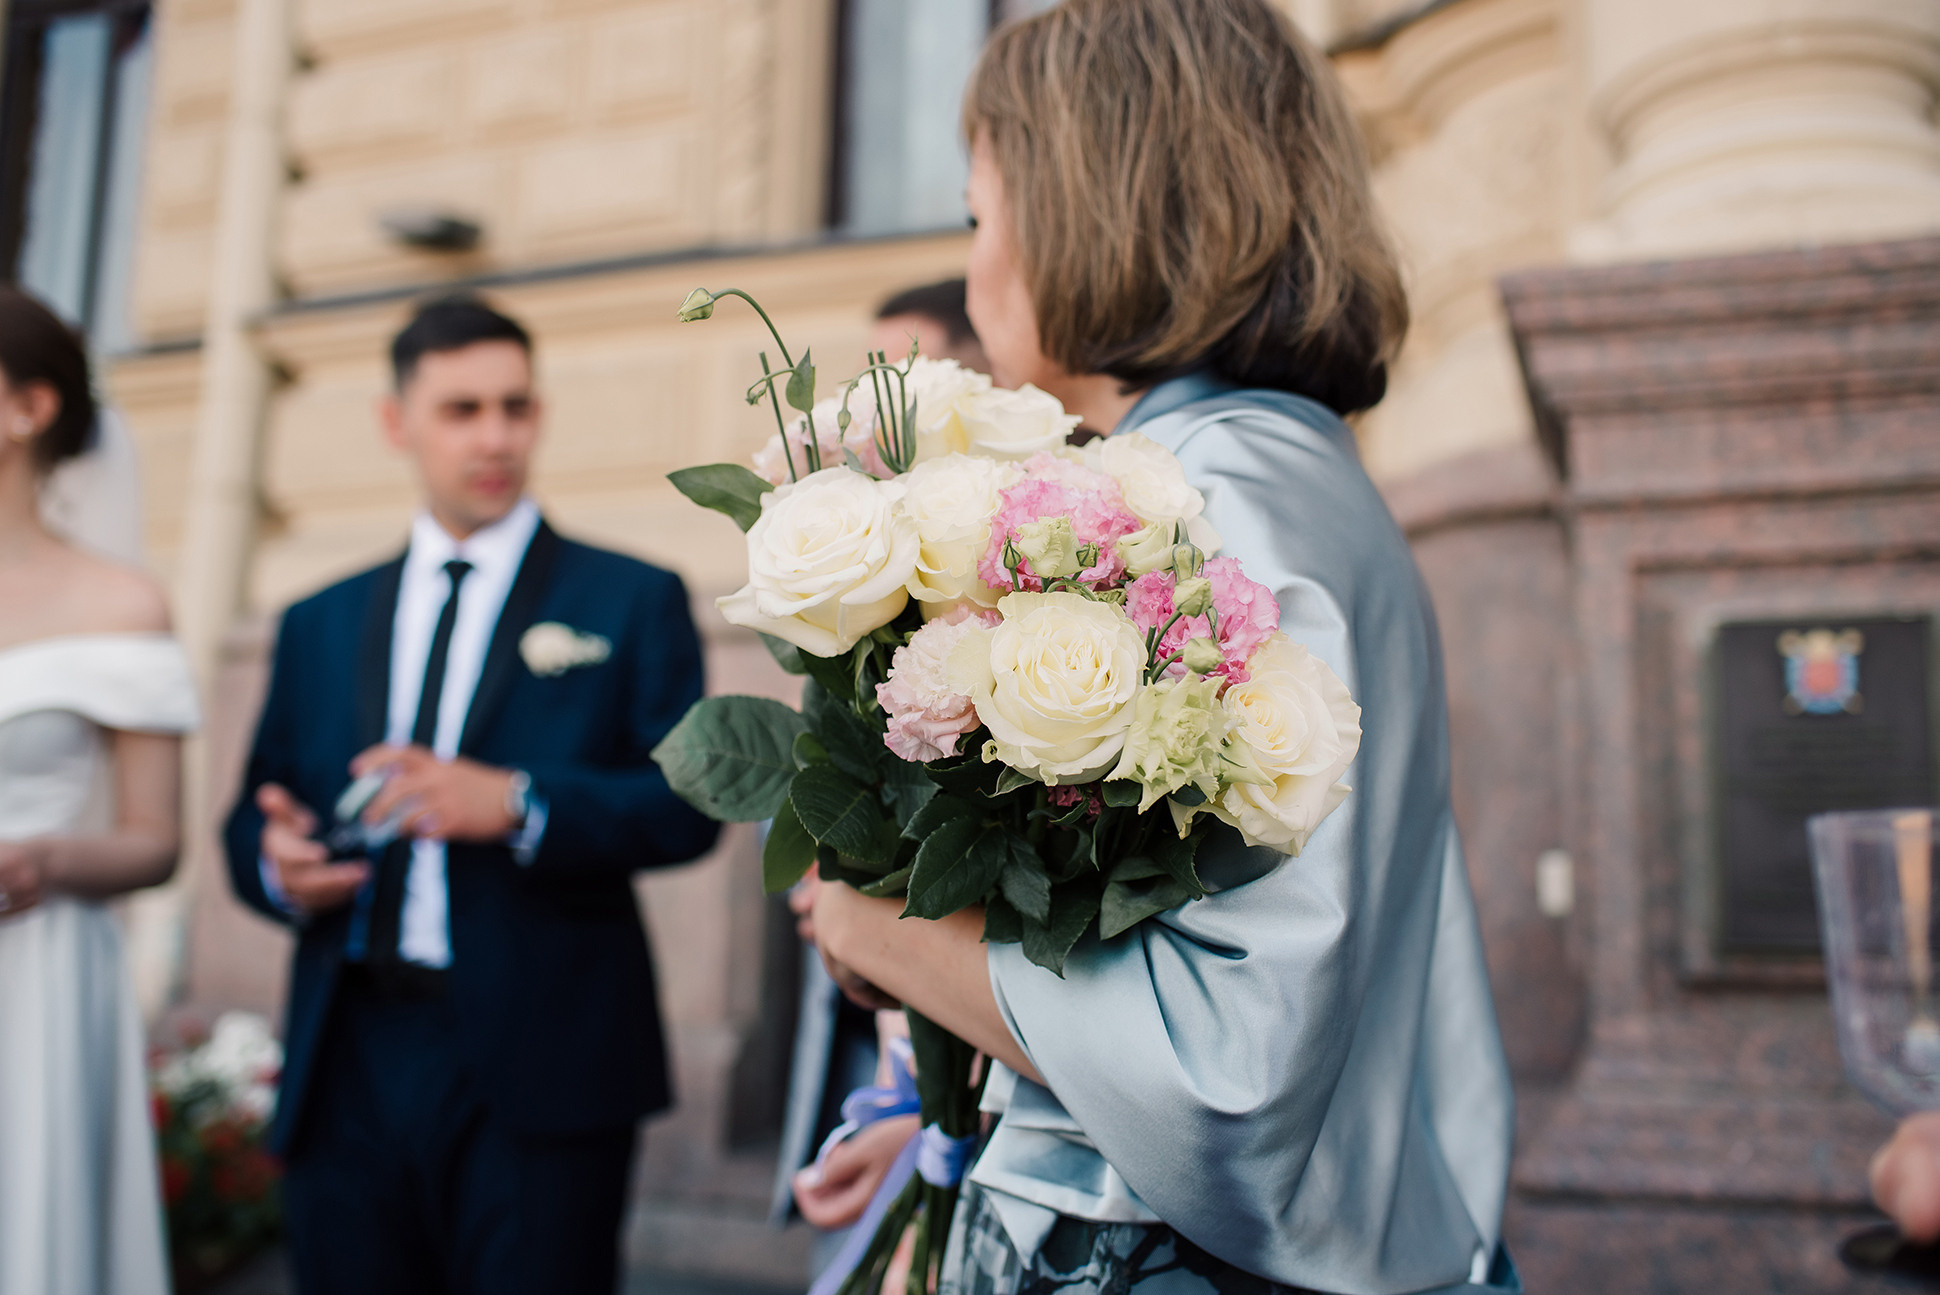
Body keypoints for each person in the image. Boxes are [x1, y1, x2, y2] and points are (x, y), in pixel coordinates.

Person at [801, 3, 1519, 1293]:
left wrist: (885, 930)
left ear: (1086, 209)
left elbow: (1228, 1065)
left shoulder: (1207, 495)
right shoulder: (1262, 465)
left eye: (979, 219)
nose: (973, 270)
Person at [223, 294, 720, 1295]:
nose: (495, 436)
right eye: (461, 410)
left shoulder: (630, 596)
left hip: (545, 1057)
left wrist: (523, 802)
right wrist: (279, 866)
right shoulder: (318, 618)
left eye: (514, 406)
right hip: (350, 1049)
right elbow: (248, 816)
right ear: (394, 421)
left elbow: (687, 806)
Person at [773, 280, 989, 1256]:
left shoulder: (1019, 597)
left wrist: (934, 1121)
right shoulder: (870, 613)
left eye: (889, 385)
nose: (862, 422)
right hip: (894, 1078)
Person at [0, 284, 196, 1295]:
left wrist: (41, 859)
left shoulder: (119, 603)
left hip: (35, 965)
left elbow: (155, 840)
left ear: (28, 408)